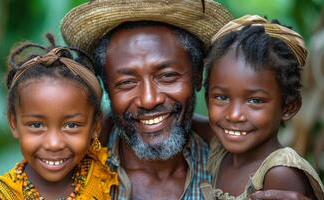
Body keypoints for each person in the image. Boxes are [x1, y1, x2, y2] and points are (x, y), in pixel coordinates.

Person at [61, 1, 317, 199]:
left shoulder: (239, 164)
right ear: (107, 88)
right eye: (126, 82)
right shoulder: (71, 169)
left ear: (197, 76)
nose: (149, 100)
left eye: (168, 76)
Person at [0, 34, 118, 200]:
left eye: (71, 125)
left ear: (95, 125)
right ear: (13, 123)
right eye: (36, 125)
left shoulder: (109, 181)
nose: (53, 144)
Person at [201, 15, 324, 200]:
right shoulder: (221, 151)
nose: (234, 115)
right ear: (206, 97)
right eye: (221, 97)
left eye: (255, 101)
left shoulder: (279, 173)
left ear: (288, 107)